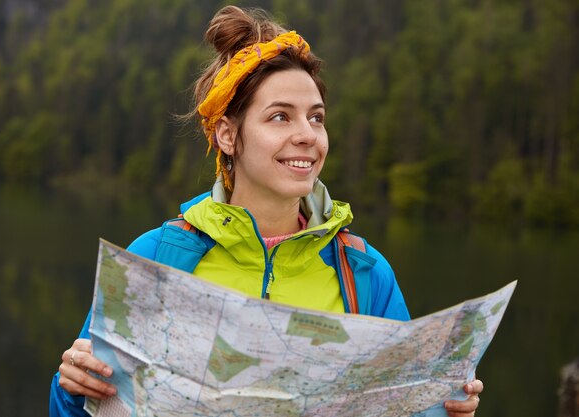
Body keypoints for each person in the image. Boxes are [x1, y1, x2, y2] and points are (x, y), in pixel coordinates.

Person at [49, 5, 484, 417]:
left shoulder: (365, 274)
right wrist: (71, 389)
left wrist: (443, 408)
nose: (306, 135)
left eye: (316, 118)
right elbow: (87, 404)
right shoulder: (156, 256)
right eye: (280, 117)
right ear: (226, 135)